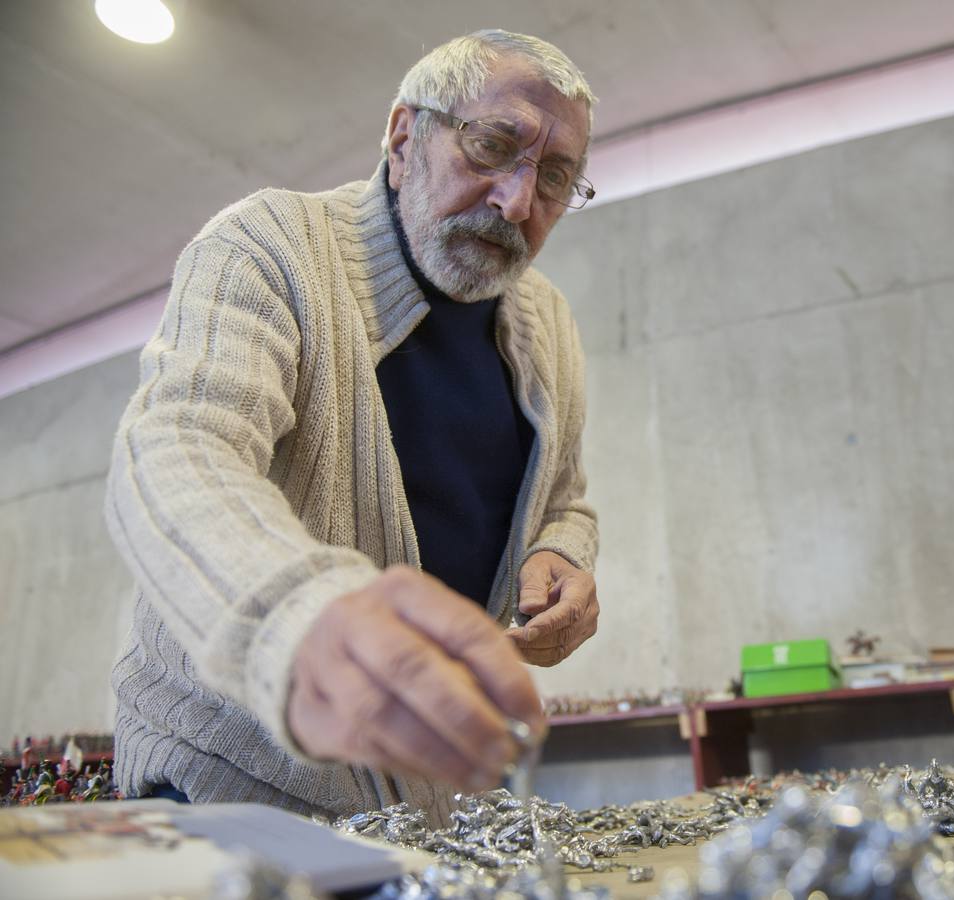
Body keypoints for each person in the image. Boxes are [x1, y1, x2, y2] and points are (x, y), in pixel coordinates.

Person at [104, 30, 601, 826]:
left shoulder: (550, 322)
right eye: (493, 147)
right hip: (230, 783)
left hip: (432, 802)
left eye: (554, 177)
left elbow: (566, 498)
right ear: (406, 138)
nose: (517, 201)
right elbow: (177, 449)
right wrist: (297, 622)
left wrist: (562, 553)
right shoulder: (267, 246)